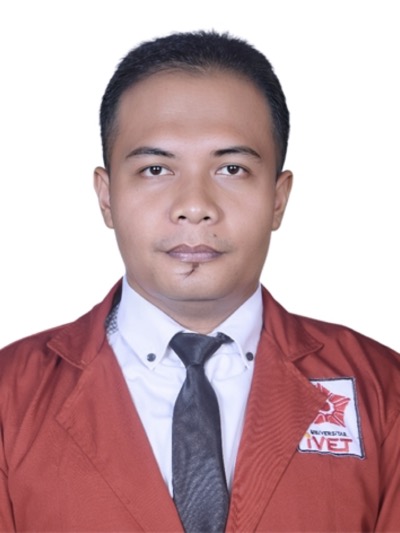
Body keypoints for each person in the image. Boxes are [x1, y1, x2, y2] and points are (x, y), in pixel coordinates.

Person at [0, 31, 399, 533]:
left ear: (278, 198)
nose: (194, 205)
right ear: (106, 197)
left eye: (231, 168)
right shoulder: (10, 397)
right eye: (155, 168)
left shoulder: (383, 391)